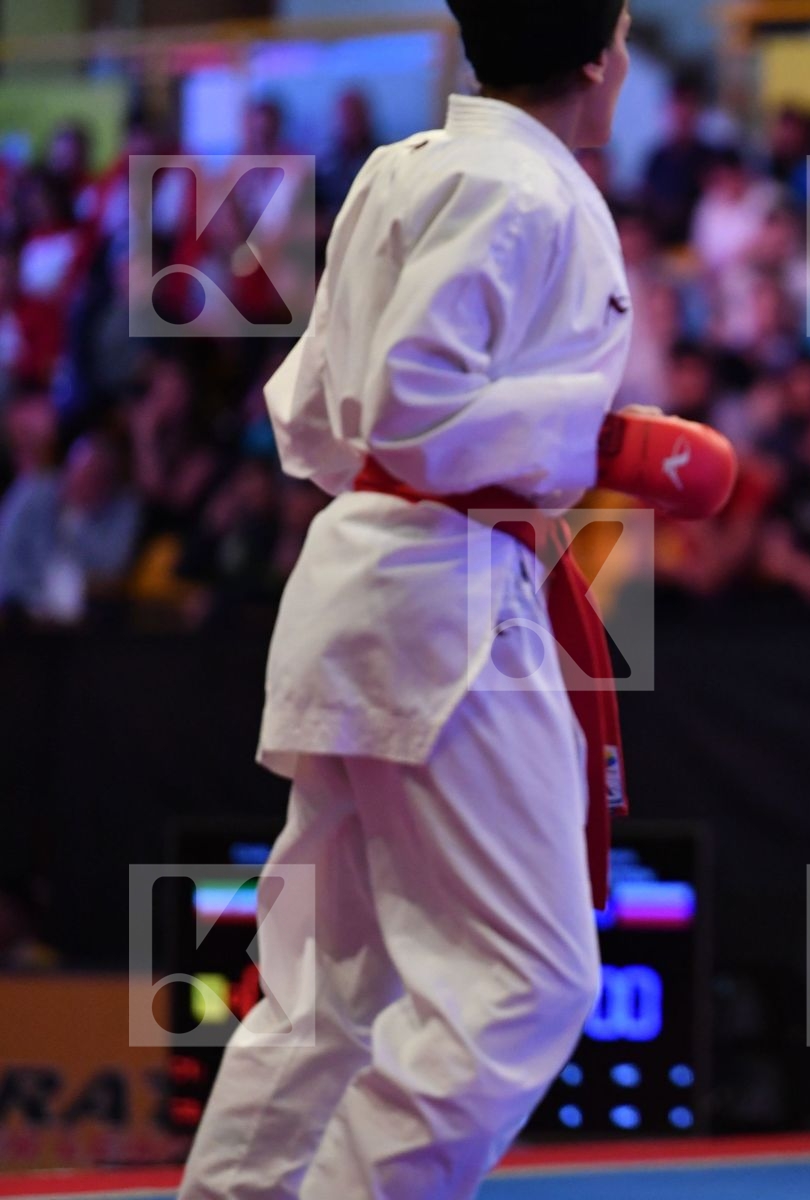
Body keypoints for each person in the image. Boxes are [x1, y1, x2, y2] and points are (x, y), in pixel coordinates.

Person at [178, 3, 655, 1197]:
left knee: (329, 994)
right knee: (534, 981)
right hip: (440, 603)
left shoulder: (405, 169)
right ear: (601, 58)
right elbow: (411, 406)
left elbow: (313, 415)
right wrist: (601, 442)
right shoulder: (532, 192)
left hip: (365, 576)